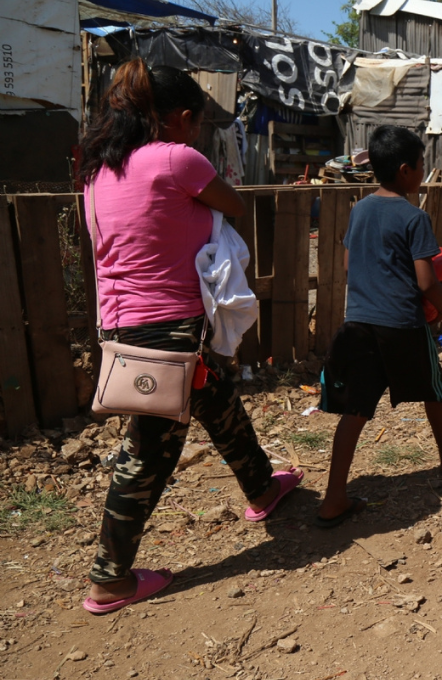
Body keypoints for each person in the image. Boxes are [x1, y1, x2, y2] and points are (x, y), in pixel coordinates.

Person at [78, 58, 304, 614]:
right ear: (179, 118)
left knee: (216, 398)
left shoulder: (98, 169)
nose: (198, 133)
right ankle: (109, 579)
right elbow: (234, 205)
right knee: (150, 451)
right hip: (171, 330)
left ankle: (261, 488)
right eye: (198, 123)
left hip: (125, 324)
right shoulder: (177, 159)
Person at [316, 126, 442, 527]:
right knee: (434, 388)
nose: (423, 171)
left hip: (360, 323)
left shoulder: (360, 210)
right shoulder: (414, 216)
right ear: (406, 170)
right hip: (402, 323)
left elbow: (351, 266)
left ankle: (334, 496)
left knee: (356, 408)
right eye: (422, 165)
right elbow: (426, 280)